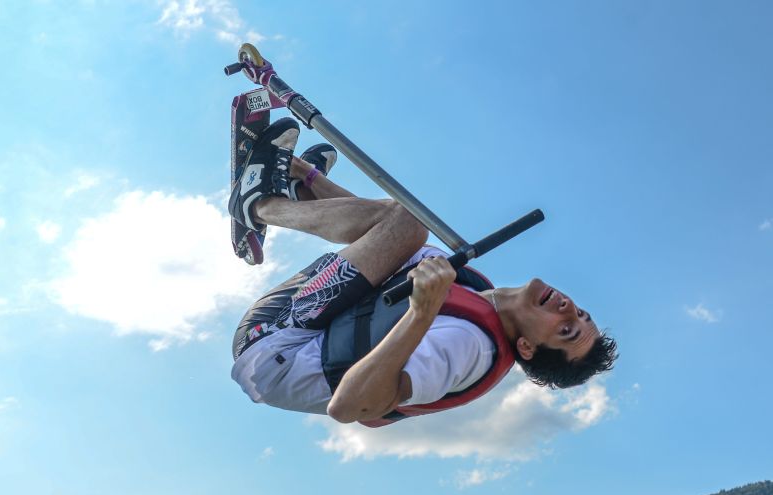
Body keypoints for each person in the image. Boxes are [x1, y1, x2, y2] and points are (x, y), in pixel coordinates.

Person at [229, 118, 617, 427]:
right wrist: (311, 178)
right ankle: (298, 188)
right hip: (294, 323)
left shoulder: (467, 347)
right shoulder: (473, 286)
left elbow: (348, 408)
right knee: (409, 233)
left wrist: (420, 313)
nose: (569, 309)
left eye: (566, 330)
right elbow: (384, 235)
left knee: (412, 226)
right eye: (581, 314)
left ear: (528, 348)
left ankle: (260, 204)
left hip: (275, 349)